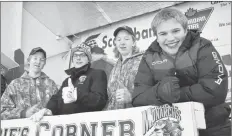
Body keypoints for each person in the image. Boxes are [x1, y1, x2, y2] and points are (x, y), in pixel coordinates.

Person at [132, 8, 231, 136]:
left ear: (185, 30)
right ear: (156, 37)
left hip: (213, 127)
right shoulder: (149, 57)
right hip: (172, 130)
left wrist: (177, 94)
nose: (170, 38)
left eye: (176, 31)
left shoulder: (202, 46)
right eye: (163, 34)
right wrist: (159, 93)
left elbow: (215, 91)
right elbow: (137, 98)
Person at [30, 43, 108, 121]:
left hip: (87, 125)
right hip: (66, 126)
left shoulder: (97, 74)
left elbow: (100, 100)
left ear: (88, 59)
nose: (78, 58)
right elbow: (56, 99)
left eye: (82, 55)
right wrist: (48, 109)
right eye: (75, 55)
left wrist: (77, 95)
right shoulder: (67, 81)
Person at [1, 47, 58, 120]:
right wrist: (24, 113)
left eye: (42, 60)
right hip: (22, 129)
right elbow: (2, 111)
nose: (38, 62)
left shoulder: (51, 84)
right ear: (29, 61)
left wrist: (48, 112)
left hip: (46, 129)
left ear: (44, 64)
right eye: (35, 58)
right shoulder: (15, 84)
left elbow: (59, 109)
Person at [104, 26, 143, 110]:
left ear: (133, 42)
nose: (122, 43)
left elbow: (152, 90)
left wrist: (131, 97)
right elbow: (110, 97)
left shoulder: (143, 61)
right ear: (115, 43)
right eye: (119, 40)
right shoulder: (114, 68)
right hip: (118, 118)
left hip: (137, 115)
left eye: (126, 39)